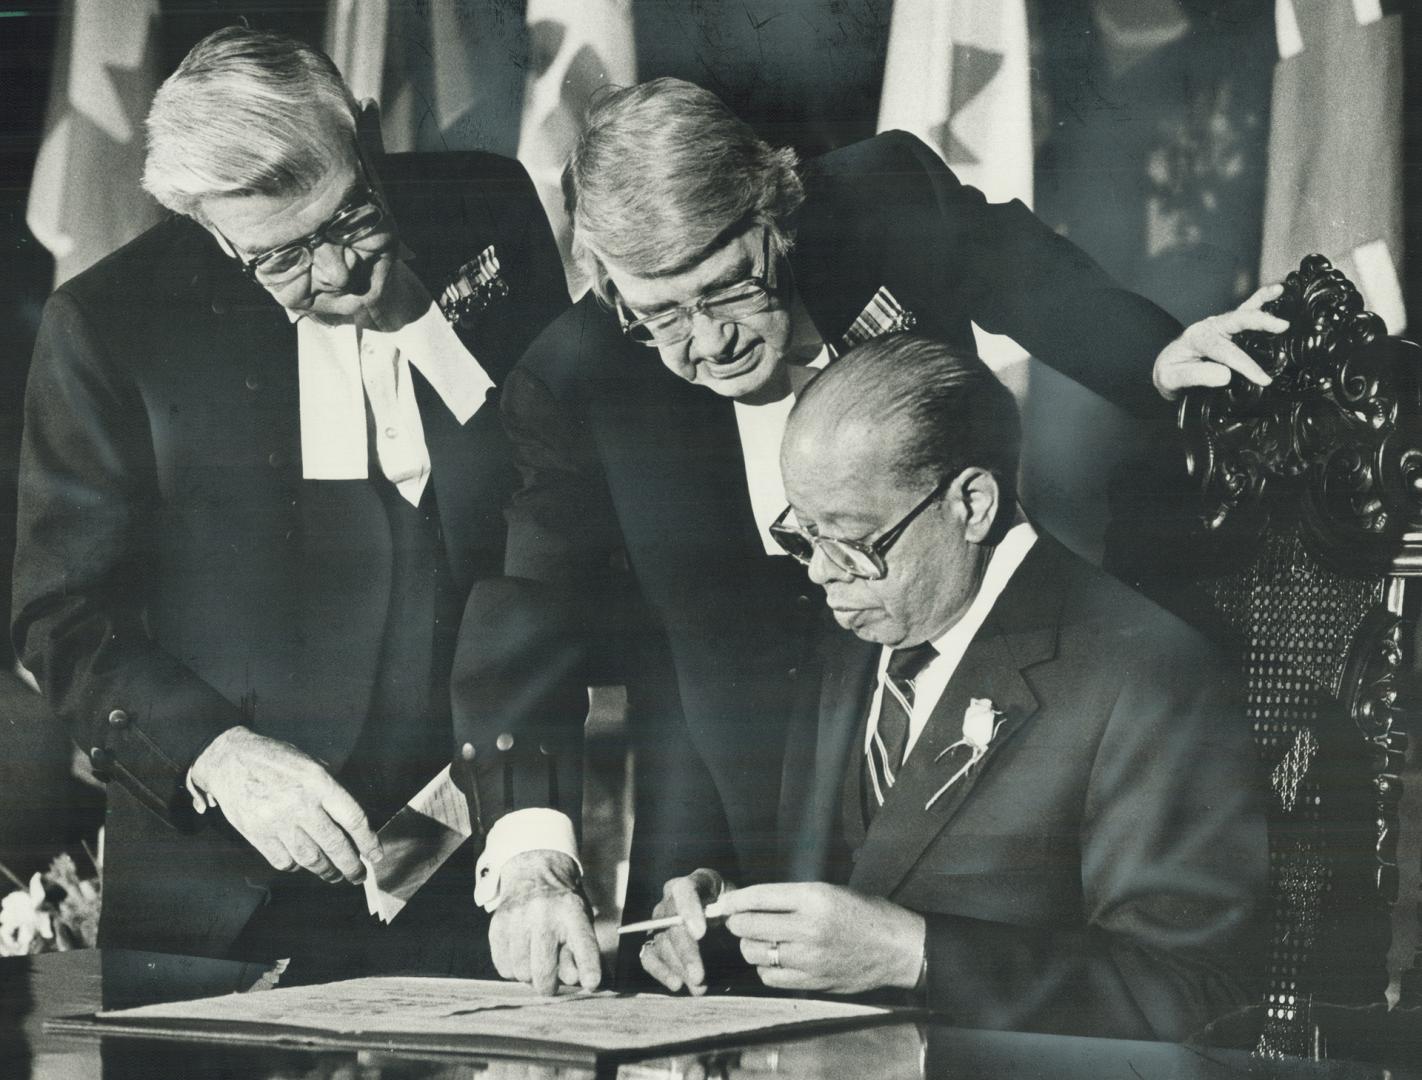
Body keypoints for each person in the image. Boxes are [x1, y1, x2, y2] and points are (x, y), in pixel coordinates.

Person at [477, 77, 1283, 991]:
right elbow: (526, 618)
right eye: (656, 314)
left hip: (972, 702)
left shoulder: (881, 196)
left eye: (726, 288)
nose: (706, 344)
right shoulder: (574, 376)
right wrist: (533, 862)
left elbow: (1017, 265)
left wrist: (1149, 356)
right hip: (735, 768)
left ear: (776, 215)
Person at [10, 27, 574, 980]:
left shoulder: (488, 211)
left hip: (474, 875)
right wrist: (219, 754)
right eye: (281, 258)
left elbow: (548, 520)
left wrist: (531, 826)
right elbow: (60, 618)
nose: (341, 274)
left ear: (360, 130)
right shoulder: (109, 326)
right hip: (220, 907)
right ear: (207, 223)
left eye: (351, 217)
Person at [640, 334, 1268, 1041]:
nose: (819, 573)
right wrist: (729, 923)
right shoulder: (854, 637)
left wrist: (915, 953)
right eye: (803, 535)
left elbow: (1195, 997)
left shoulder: (1146, 673)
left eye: (849, 541)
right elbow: (855, 886)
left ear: (972, 503)